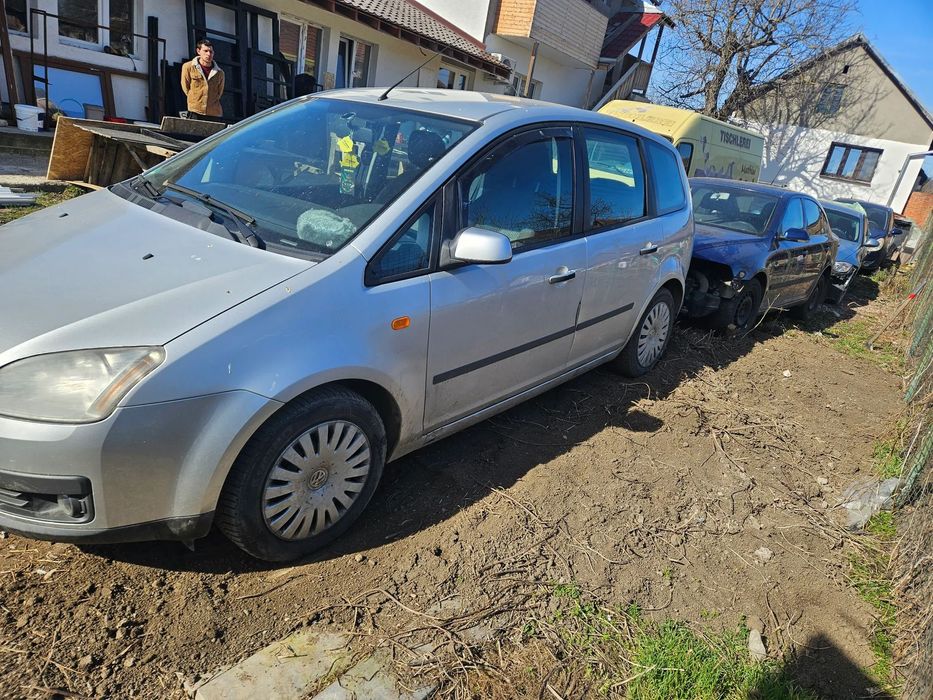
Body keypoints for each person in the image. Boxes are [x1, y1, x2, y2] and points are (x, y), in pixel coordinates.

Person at [181, 39, 224, 119]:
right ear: (198, 51)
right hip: (195, 110)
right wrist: (196, 99)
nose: (209, 54)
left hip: (213, 113)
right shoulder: (188, 67)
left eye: (211, 52)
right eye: (206, 51)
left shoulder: (219, 72)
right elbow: (186, 87)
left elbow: (219, 92)